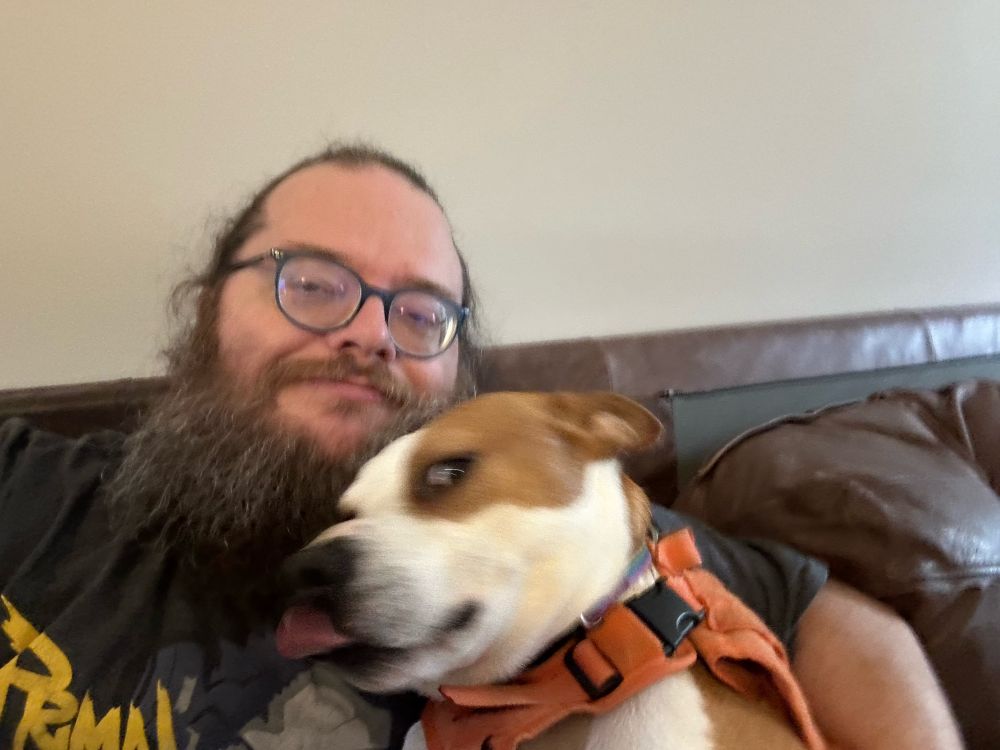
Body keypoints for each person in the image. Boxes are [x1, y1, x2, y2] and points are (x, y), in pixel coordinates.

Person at [0, 144, 962, 749]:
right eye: (315, 284)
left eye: (422, 314)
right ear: (210, 309)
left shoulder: (567, 537)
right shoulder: (28, 489)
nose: (370, 335)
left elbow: (826, 612)